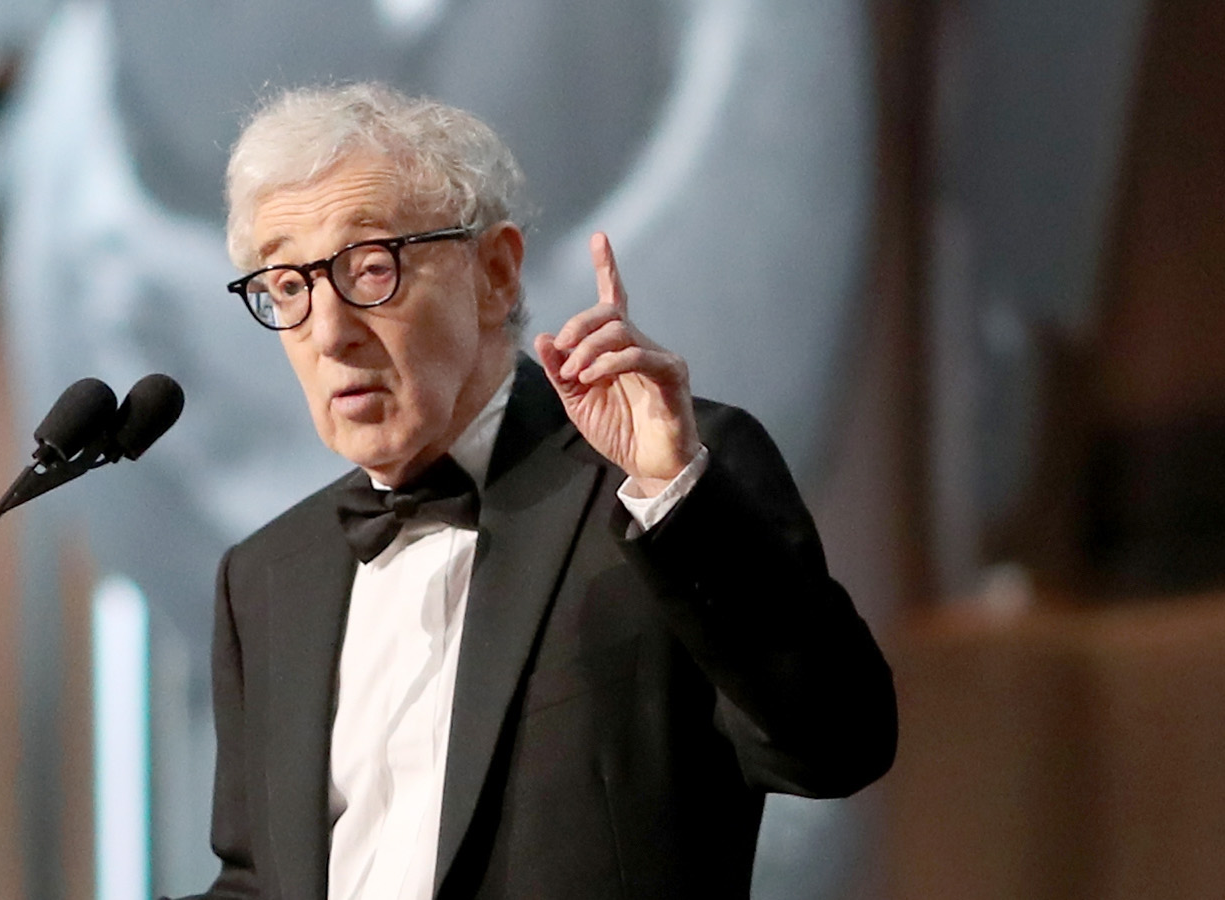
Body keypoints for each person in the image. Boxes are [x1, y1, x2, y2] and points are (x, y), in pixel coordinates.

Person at [181, 82, 896, 900]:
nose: (328, 331)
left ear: (493, 271)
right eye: (288, 287)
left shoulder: (662, 483)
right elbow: (255, 880)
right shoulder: (268, 573)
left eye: (369, 268)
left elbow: (837, 744)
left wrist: (674, 493)